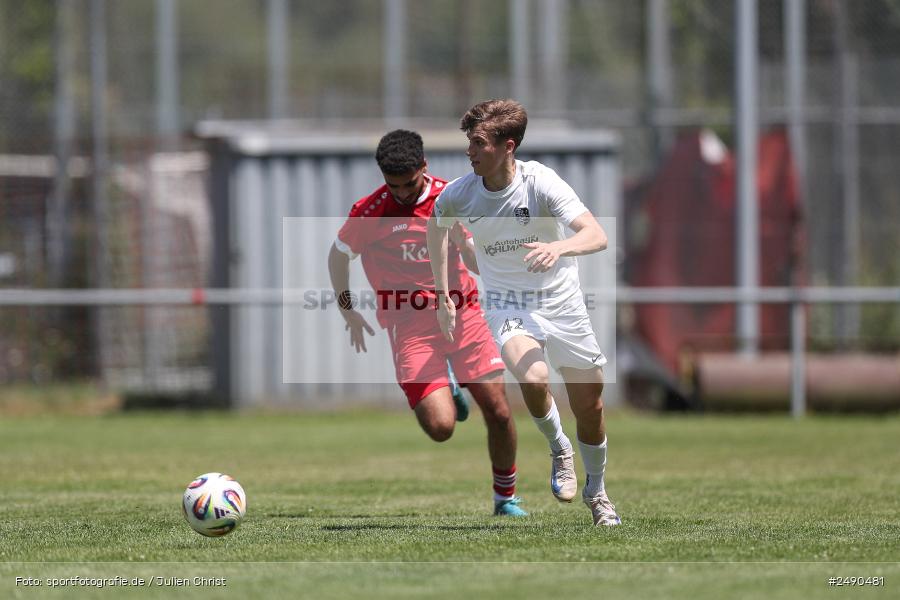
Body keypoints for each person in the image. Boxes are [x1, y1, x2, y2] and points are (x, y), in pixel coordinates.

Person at [426, 99, 621, 526]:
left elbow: (596, 234)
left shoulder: (541, 183)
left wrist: (559, 246)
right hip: (506, 305)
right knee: (532, 376)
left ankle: (598, 491)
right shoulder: (460, 193)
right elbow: (435, 227)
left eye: (478, 143)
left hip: (563, 303)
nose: (469, 151)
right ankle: (559, 449)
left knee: (590, 406)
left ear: (507, 146)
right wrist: (443, 297)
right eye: (468, 143)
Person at [327, 129, 526, 516]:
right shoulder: (369, 212)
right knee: (440, 428)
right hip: (410, 325)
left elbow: (473, 255)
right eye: (393, 185)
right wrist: (347, 308)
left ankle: (506, 498)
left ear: (424, 167)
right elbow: (337, 258)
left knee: (499, 411)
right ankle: (448, 383)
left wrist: (474, 251)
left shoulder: (451, 197)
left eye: (409, 184)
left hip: (464, 314)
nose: (401, 193)